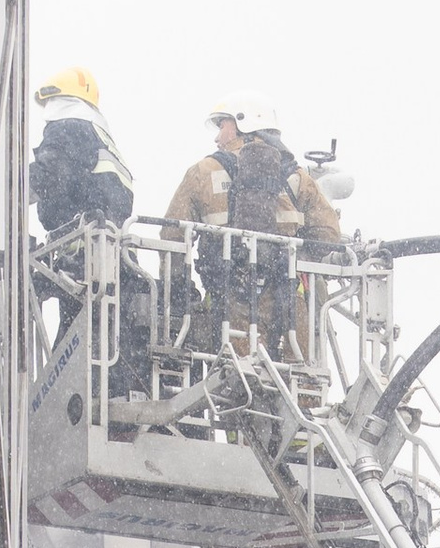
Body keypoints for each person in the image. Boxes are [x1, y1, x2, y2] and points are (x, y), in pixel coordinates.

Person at [163, 100, 344, 351]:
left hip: (229, 311)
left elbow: (171, 237)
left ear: (242, 125)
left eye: (222, 126)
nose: (217, 137)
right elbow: (328, 235)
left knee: (232, 385)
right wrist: (290, 257)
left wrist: (180, 292)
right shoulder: (298, 178)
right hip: (291, 313)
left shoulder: (203, 172)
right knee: (299, 385)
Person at [29, 67, 135, 237]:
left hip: (82, 249)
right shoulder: (101, 138)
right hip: (114, 249)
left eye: (51, 101)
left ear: (61, 101)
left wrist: (8, 190)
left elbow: (47, 173)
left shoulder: (70, 127)